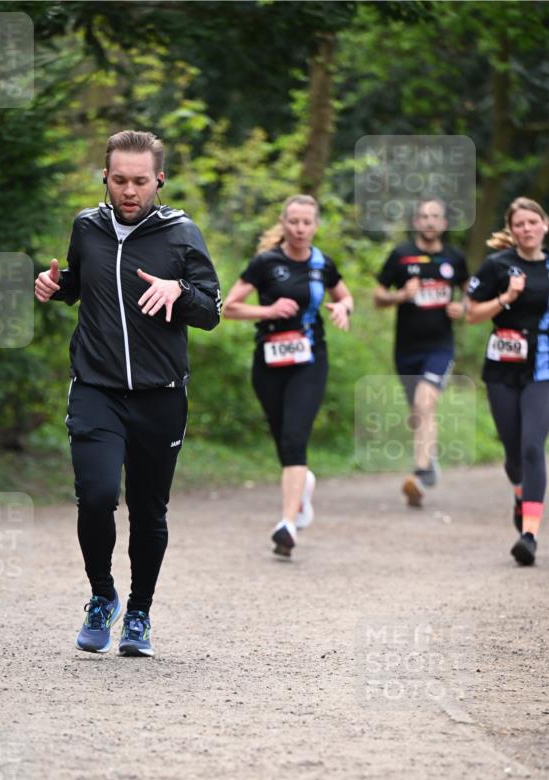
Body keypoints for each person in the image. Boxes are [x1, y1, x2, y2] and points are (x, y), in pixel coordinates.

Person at [34, 130, 221, 654]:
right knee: (95, 497)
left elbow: (211, 310)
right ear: (106, 179)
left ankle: (139, 611)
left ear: (159, 179)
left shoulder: (182, 234)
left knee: (147, 509)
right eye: (120, 180)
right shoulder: (87, 227)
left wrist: (178, 290)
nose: (130, 191)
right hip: (96, 388)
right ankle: (102, 596)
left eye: (141, 181)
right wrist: (57, 286)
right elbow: (83, 282)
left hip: (160, 395)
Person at [222, 194, 353, 557]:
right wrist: (268, 309)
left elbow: (347, 297)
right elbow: (229, 308)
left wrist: (343, 307)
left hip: (310, 361)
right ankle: (303, 488)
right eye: (293, 221)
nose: (299, 228)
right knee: (283, 436)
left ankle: (287, 523)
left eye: (306, 222)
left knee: (296, 435)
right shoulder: (265, 263)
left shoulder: (322, 264)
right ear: (283, 223)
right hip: (269, 361)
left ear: (315, 225)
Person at [466, 197, 549, 566]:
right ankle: (520, 492)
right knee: (514, 453)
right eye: (520, 224)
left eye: (533, 222)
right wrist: (506, 297)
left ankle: (529, 535)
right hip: (502, 366)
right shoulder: (497, 266)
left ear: (545, 225)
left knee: (533, 447)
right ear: (511, 230)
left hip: (543, 368)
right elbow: (471, 314)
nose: (527, 229)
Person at [374, 199, 469, 506]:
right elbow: (378, 296)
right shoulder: (401, 256)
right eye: (424, 216)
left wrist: (464, 306)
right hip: (406, 349)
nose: (429, 222)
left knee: (424, 402)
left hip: (440, 347)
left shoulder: (454, 257)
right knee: (419, 413)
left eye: (435, 217)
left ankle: (422, 471)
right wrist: (401, 295)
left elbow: (471, 290)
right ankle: (428, 464)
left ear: (443, 223)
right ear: (416, 222)